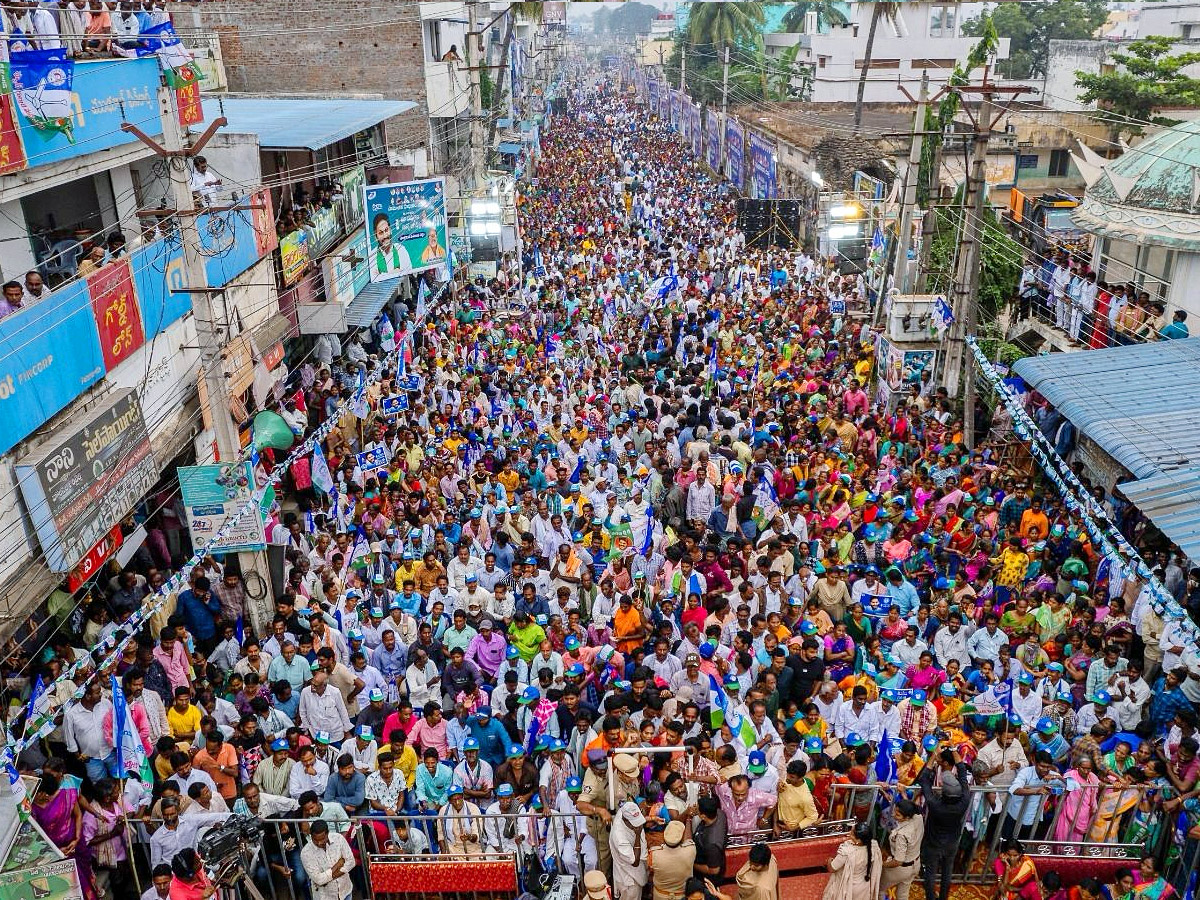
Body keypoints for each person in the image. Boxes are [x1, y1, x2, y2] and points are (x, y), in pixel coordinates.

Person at [821, 821, 881, 900]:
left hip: (848, 887)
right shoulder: (874, 846)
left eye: (852, 833)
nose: (849, 833)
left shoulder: (847, 851)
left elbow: (832, 868)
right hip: (864, 887)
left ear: (858, 840)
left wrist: (829, 860)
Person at [300, 820, 356, 900]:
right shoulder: (306, 853)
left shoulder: (339, 839)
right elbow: (318, 879)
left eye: (322, 839)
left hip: (345, 892)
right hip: (325, 897)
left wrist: (325, 880)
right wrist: (338, 865)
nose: (319, 843)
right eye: (315, 840)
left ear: (327, 834)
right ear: (311, 836)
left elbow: (351, 862)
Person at [880, 799, 923, 900]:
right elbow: (912, 807)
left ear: (907, 817)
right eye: (895, 811)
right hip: (915, 864)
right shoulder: (918, 818)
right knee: (903, 894)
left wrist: (882, 865)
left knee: (879, 889)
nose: (894, 815)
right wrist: (903, 794)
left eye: (898, 815)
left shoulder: (901, 835)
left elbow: (898, 861)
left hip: (900, 869)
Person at [609, 800, 649, 900]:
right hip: (629, 879)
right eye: (635, 823)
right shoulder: (618, 836)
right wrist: (638, 835)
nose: (639, 826)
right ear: (625, 820)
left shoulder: (624, 811)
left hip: (636, 872)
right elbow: (634, 862)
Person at [371, 213, 414, 278]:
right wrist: (395, 272)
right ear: (375, 236)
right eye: (380, 233)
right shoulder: (372, 257)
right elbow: (374, 278)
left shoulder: (401, 249)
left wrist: (382, 275)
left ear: (390, 230)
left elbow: (409, 272)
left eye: (386, 230)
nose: (385, 236)